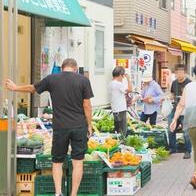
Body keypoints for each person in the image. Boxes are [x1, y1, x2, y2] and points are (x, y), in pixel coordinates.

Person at [5, 59, 93, 196]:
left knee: (57, 161)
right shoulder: (83, 80)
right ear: (75, 68)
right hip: (78, 126)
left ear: (62, 67)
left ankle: (58, 192)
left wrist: (15, 87)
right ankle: (74, 194)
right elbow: (86, 105)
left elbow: (32, 88)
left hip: (60, 126)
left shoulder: (52, 78)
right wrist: (89, 125)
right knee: (78, 161)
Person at [168, 64, 192, 159]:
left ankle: (188, 150)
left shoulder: (189, 83)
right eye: (177, 72)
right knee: (170, 128)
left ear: (185, 73)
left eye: (181, 72)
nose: (178, 74)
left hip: (186, 111)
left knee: (186, 131)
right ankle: (172, 148)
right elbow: (172, 94)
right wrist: (167, 98)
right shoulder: (174, 83)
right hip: (175, 110)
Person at [108, 66, 132, 137]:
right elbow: (130, 90)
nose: (123, 78)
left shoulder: (111, 84)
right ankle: (122, 146)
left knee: (117, 131)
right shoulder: (118, 84)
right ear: (120, 75)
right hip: (121, 110)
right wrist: (128, 79)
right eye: (123, 76)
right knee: (123, 132)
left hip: (115, 110)